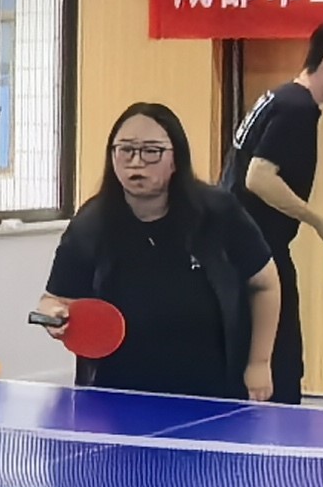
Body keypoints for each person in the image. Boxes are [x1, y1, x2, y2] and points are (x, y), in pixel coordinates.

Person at [37, 101, 279, 400]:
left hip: (213, 390)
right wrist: (53, 315)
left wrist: (260, 363)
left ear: (176, 158)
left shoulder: (218, 212)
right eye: (125, 150)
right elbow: (53, 300)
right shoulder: (91, 223)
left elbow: (265, 284)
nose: (136, 162)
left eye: (151, 151)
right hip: (117, 394)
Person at [224, 20, 323, 404]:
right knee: (281, 371)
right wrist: (320, 222)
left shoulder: (280, 97)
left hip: (242, 248)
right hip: (258, 254)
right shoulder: (297, 109)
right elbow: (259, 177)